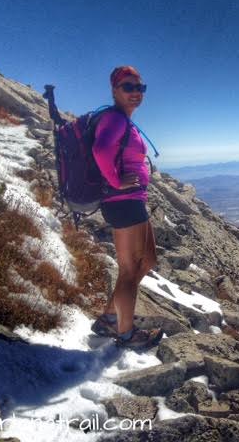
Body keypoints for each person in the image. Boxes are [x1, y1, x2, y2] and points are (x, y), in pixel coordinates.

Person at [89, 66, 164, 350]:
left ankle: (109, 317)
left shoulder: (124, 120)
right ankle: (126, 334)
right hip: (122, 202)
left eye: (140, 88)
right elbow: (100, 150)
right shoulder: (113, 118)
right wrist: (116, 182)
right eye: (128, 87)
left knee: (147, 261)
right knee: (130, 269)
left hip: (134, 200)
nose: (136, 93)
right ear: (114, 90)